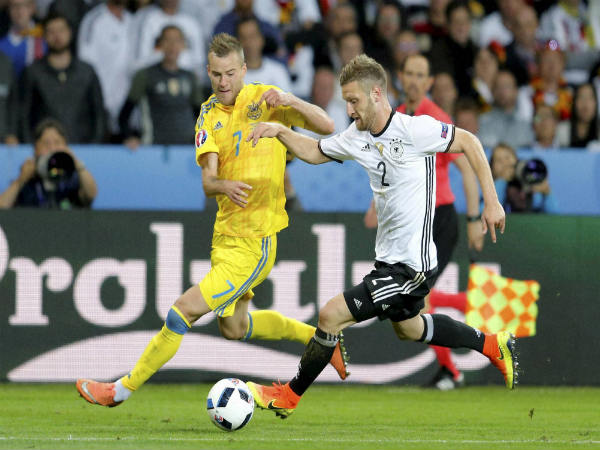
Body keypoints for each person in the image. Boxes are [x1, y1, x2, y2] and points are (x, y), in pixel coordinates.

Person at [75, 33, 348, 407]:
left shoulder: (266, 99)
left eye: (230, 74)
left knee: (180, 312)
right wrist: (225, 185)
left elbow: (327, 126)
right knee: (234, 328)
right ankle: (320, 341)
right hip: (225, 237)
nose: (223, 82)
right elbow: (207, 183)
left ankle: (120, 389)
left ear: (244, 70)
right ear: (208, 71)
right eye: (217, 74)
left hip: (255, 241)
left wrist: (289, 99)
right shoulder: (207, 114)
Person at [244, 54, 514, 418]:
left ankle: (289, 395)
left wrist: (491, 202)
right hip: (388, 260)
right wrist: (279, 131)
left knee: (330, 315)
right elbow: (313, 150)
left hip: (411, 267)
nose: (350, 110)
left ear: (375, 93)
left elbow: (469, 142)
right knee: (411, 328)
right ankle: (491, 344)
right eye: (346, 103)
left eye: (353, 101)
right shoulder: (357, 137)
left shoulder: (415, 129)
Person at [366, 53, 484, 390]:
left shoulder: (436, 117)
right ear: (400, 77)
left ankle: (451, 371)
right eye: (409, 73)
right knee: (419, 299)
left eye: (421, 75)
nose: (414, 80)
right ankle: (470, 308)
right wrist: (376, 204)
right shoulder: (397, 116)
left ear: (430, 82)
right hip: (412, 221)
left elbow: (466, 169)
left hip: (440, 219)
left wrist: (474, 217)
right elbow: (387, 169)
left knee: (420, 299)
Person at [18, 12, 106, 144]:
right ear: (44, 36)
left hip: (84, 150)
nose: (57, 36)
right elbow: (23, 114)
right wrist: (30, 145)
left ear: (70, 32)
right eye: (51, 32)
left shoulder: (87, 72)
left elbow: (99, 114)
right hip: (45, 149)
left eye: (61, 30)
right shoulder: (32, 72)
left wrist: (94, 147)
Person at [118, 24, 204, 148]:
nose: (172, 46)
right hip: (153, 147)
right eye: (167, 40)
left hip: (185, 149)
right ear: (160, 45)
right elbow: (125, 114)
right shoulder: (145, 75)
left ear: (183, 45)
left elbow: (200, 115)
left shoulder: (190, 77)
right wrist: (129, 137)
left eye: (177, 40)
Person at [0, 118, 97, 209]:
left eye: (57, 143)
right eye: (46, 143)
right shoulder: (27, 181)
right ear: (35, 149)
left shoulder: (71, 179)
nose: (52, 148)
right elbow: (2, 208)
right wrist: (21, 180)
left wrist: (76, 163)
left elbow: (90, 195)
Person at [490, 143, 557, 213]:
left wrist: (546, 193)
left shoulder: (529, 179)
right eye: (498, 160)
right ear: (491, 169)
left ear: (516, 159)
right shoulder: (495, 187)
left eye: (507, 158)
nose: (505, 163)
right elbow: (487, 212)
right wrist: (502, 180)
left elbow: (554, 215)